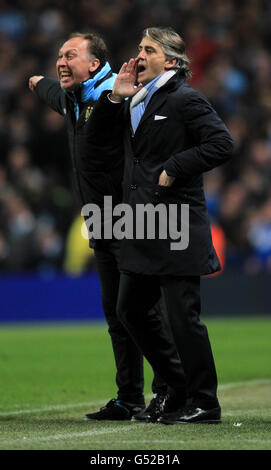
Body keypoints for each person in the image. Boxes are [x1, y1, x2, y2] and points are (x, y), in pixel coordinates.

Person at [29, 31, 183, 421]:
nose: (61, 61)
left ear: (94, 64)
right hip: (100, 220)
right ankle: (129, 397)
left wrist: (118, 96)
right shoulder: (72, 96)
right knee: (117, 313)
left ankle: (170, 389)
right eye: (60, 55)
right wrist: (37, 83)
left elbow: (111, 117)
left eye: (71, 55)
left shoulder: (116, 95)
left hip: (131, 216)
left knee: (140, 311)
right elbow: (51, 92)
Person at [92, 27, 234, 424]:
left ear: (170, 61)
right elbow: (100, 139)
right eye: (138, 47)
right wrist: (114, 97)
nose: (138, 55)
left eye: (148, 49)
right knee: (129, 309)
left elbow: (221, 143)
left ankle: (205, 401)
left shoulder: (186, 99)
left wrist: (177, 165)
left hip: (176, 223)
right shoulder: (136, 98)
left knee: (182, 316)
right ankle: (177, 389)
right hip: (140, 221)